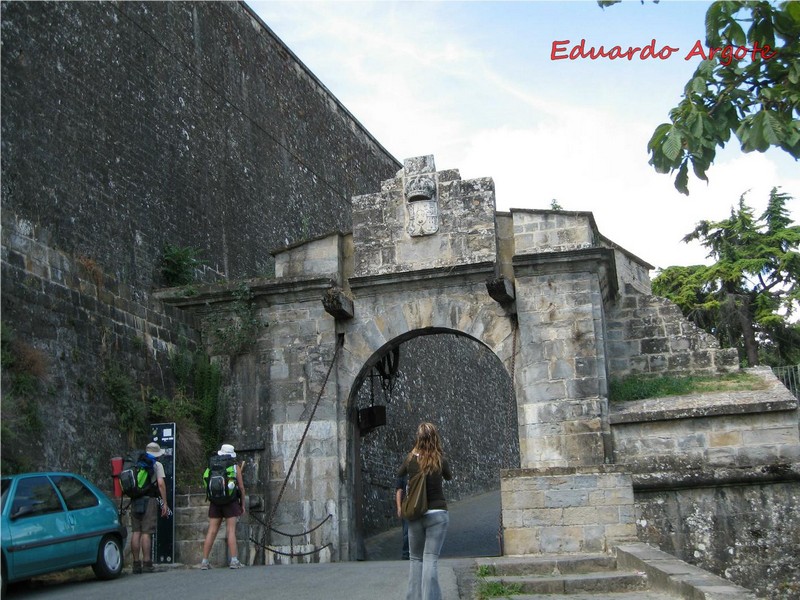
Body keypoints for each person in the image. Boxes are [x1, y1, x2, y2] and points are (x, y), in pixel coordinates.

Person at [396, 422, 452, 600]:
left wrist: (414, 452)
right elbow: (449, 476)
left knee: (415, 559)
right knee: (430, 559)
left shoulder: (411, 458)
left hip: (416, 514)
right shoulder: (440, 460)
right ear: (435, 437)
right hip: (438, 513)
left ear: (418, 439)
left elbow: (400, 473)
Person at [200, 443, 247, 569]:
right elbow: (241, 488)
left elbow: (205, 480)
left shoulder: (212, 464)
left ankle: (204, 561)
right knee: (231, 530)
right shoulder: (234, 466)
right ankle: (234, 561)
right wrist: (242, 504)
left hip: (215, 501)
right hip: (230, 502)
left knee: (212, 530)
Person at [130, 441, 170, 574]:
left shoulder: (135, 464)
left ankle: (136, 564)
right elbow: (160, 484)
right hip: (149, 500)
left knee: (136, 532)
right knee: (146, 533)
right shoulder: (156, 464)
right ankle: (147, 563)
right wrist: (164, 502)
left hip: (135, 499)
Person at [395, 474, 410, 560]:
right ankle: (406, 553)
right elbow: (399, 490)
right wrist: (399, 507)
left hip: (418, 506)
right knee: (406, 531)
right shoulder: (403, 474)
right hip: (406, 507)